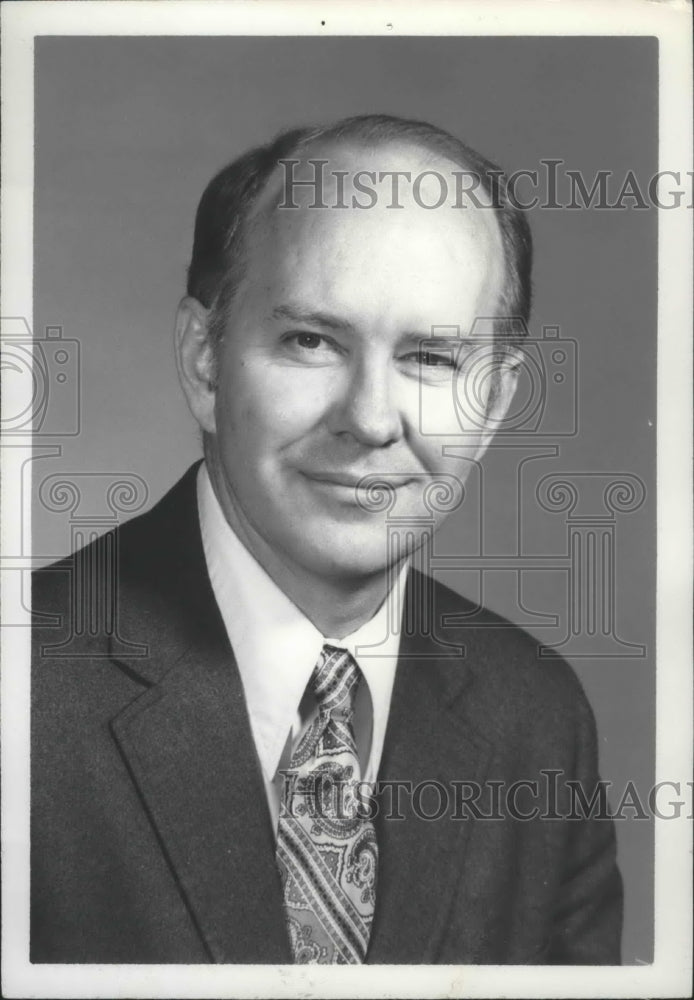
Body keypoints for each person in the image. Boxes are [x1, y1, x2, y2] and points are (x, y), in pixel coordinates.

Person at [31, 114, 622, 964]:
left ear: (493, 404)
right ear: (206, 362)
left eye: (432, 358)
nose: (372, 419)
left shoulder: (537, 717)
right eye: (311, 341)